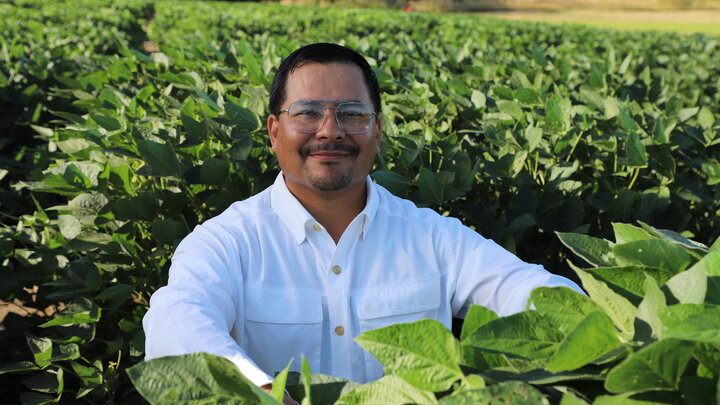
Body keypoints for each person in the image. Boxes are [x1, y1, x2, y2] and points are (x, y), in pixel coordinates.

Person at [142, 42, 583, 401]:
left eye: (352, 114)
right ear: (275, 131)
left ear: (377, 130)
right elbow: (176, 321)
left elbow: (528, 291)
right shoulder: (228, 241)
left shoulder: (432, 237)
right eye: (308, 112)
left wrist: (609, 330)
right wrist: (264, 395)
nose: (330, 130)